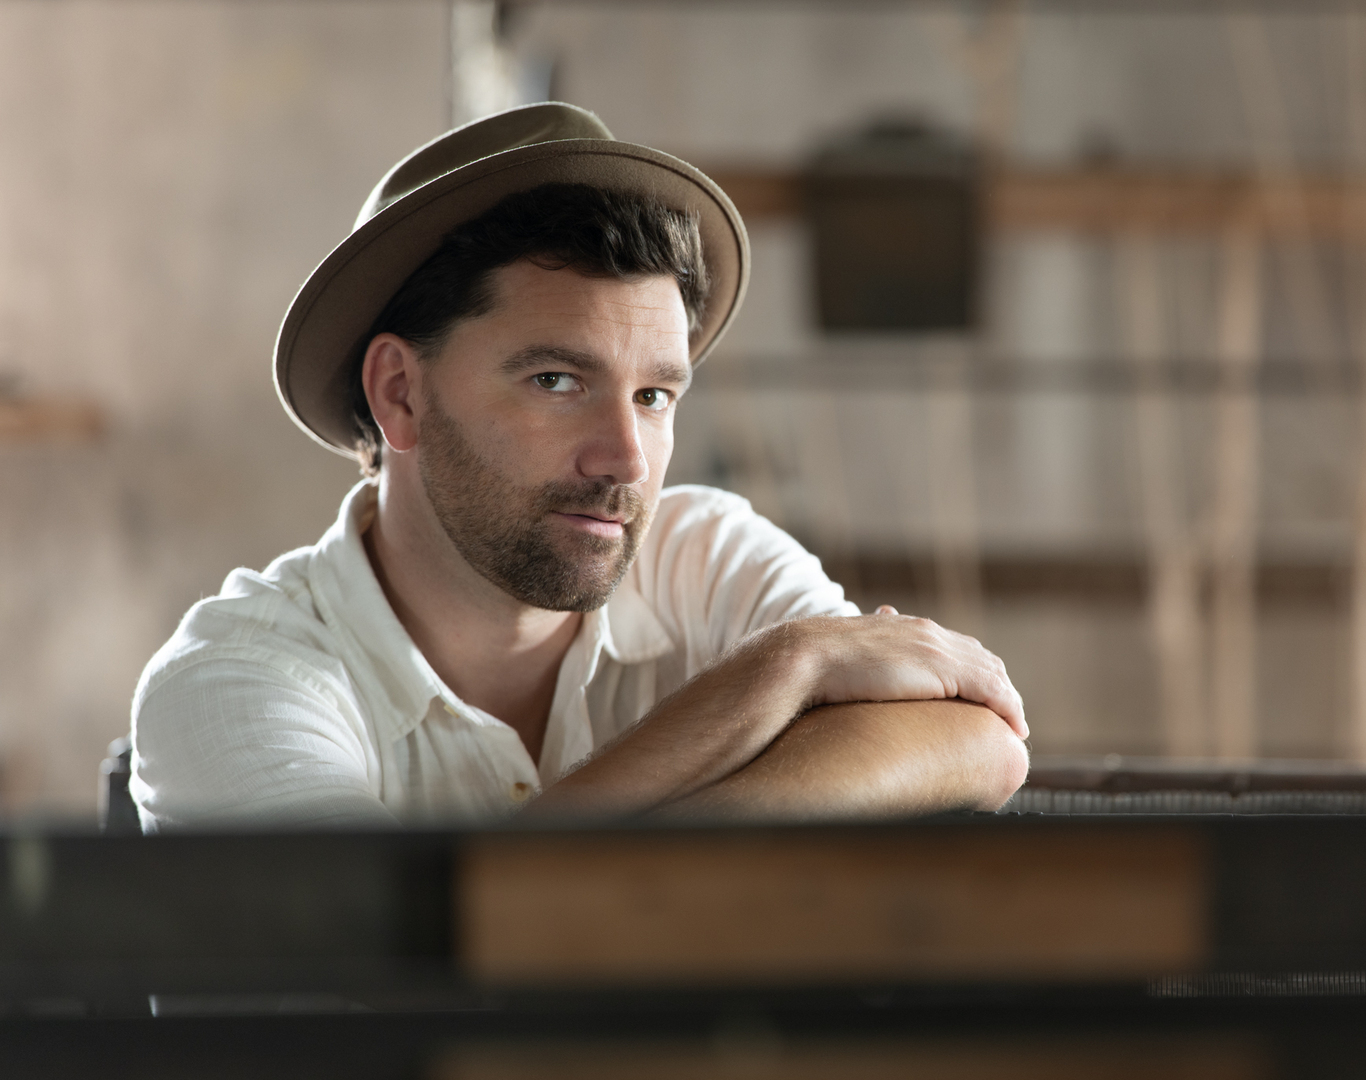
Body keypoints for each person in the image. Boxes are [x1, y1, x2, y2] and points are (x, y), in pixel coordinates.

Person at [128, 103, 1028, 829]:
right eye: (556, 380)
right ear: (400, 392)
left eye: (654, 397)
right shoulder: (233, 681)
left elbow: (976, 747)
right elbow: (407, 958)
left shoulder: (703, 553)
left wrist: (584, 872)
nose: (627, 459)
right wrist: (777, 672)